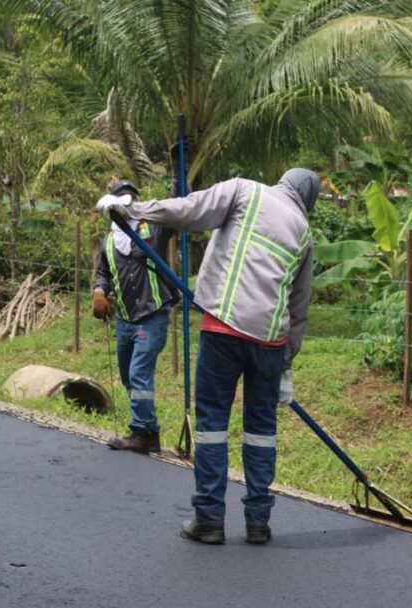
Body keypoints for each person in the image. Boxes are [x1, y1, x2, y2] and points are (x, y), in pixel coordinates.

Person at [97, 169, 319, 545]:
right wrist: (286, 365)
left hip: (224, 331)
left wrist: (136, 211)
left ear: (283, 181)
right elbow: (299, 306)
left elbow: (189, 210)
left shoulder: (244, 191)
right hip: (270, 342)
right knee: (262, 432)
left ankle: (210, 519)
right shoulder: (303, 231)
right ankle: (258, 523)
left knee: (213, 425)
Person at [92, 180, 179, 454]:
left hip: (152, 314)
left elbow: (177, 207)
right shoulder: (109, 241)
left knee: (139, 373)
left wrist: (178, 175)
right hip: (125, 319)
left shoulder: (153, 229)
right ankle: (147, 431)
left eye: (130, 200)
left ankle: (141, 431)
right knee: (128, 377)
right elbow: (103, 273)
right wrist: (99, 292)